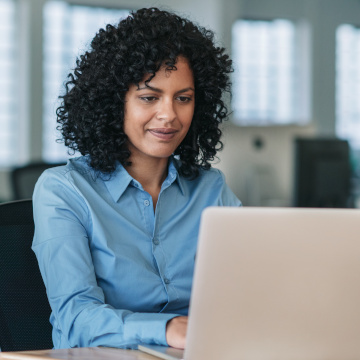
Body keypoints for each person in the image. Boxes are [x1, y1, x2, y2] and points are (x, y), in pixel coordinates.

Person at [32, 7, 241, 350]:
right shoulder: (64, 191)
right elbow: (75, 318)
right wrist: (168, 328)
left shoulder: (211, 190)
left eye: (183, 99)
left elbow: (246, 293)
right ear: (116, 103)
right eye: (149, 97)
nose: (169, 116)